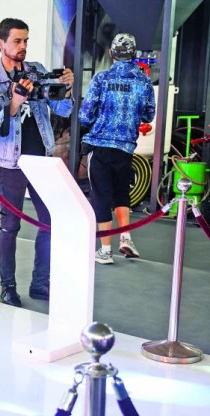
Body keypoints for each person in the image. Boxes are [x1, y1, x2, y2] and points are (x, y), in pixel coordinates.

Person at [0, 18, 75, 308]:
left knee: (49, 222)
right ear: (1, 43)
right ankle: (8, 287)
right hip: (10, 163)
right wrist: (15, 102)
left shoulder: (37, 70)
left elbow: (63, 109)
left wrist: (67, 88)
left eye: (25, 41)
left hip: (42, 160)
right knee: (10, 226)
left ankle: (40, 283)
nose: (23, 46)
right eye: (17, 41)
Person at [79, 33, 155, 265]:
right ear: (134, 54)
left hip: (100, 146)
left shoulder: (101, 79)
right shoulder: (144, 81)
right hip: (126, 148)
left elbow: (85, 116)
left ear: (111, 53)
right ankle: (125, 237)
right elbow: (149, 114)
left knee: (101, 197)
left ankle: (105, 251)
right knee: (122, 193)